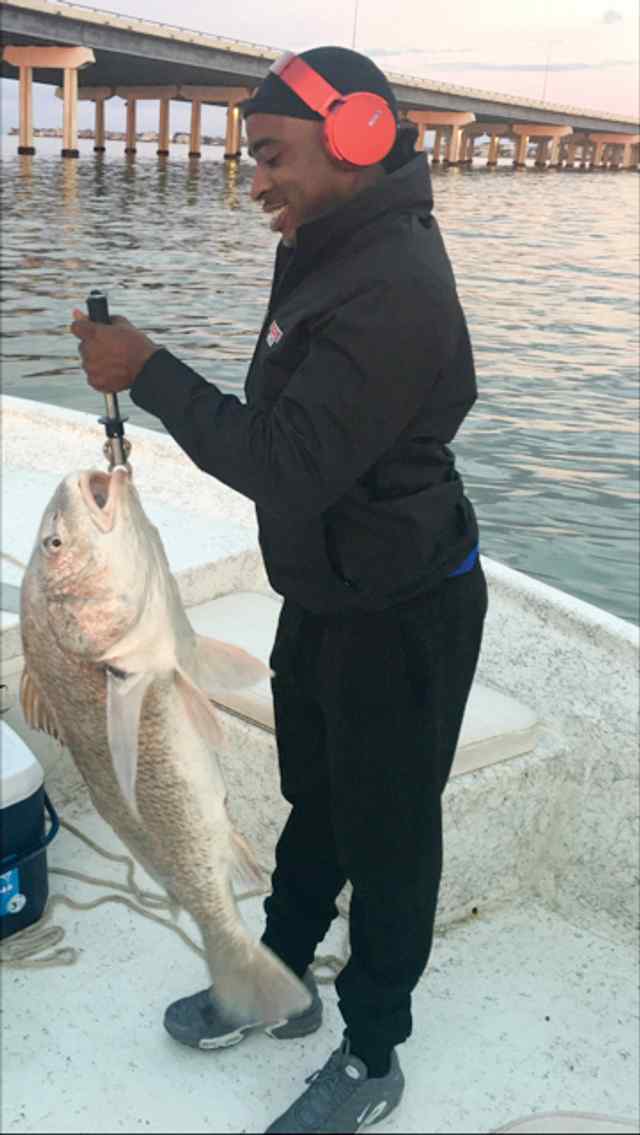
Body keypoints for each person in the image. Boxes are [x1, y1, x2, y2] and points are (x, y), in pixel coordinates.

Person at [71, 45, 488, 1135]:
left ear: (354, 139)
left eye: (268, 155)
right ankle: (278, 974)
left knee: (390, 835)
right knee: (320, 801)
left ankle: (373, 1048)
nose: (253, 179)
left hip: (404, 610)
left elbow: (287, 460)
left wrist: (148, 370)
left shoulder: (392, 279)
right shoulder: (327, 240)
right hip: (332, 594)